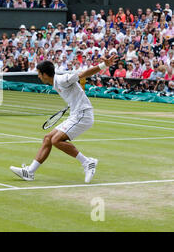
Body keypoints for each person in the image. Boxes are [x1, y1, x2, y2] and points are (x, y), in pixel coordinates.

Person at [10, 55, 118, 183]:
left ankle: (87, 162)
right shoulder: (55, 84)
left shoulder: (62, 79)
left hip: (83, 115)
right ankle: (29, 172)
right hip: (75, 114)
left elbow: (83, 74)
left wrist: (104, 66)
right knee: (48, 139)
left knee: (56, 140)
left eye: (39, 74)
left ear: (45, 74)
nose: (38, 76)